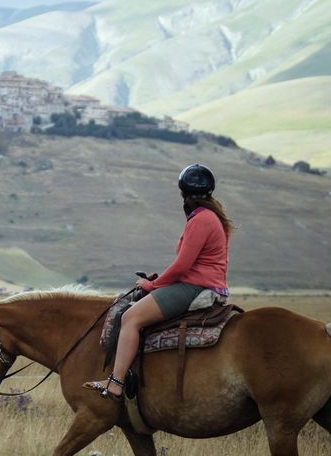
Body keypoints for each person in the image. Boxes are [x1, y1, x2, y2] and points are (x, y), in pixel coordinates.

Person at [83, 163, 233, 400]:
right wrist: (161, 279)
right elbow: (189, 265)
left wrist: (152, 285)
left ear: (182, 192)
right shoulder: (210, 217)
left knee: (130, 318)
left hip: (194, 287)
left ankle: (116, 382)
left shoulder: (201, 220)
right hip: (200, 282)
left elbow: (182, 266)